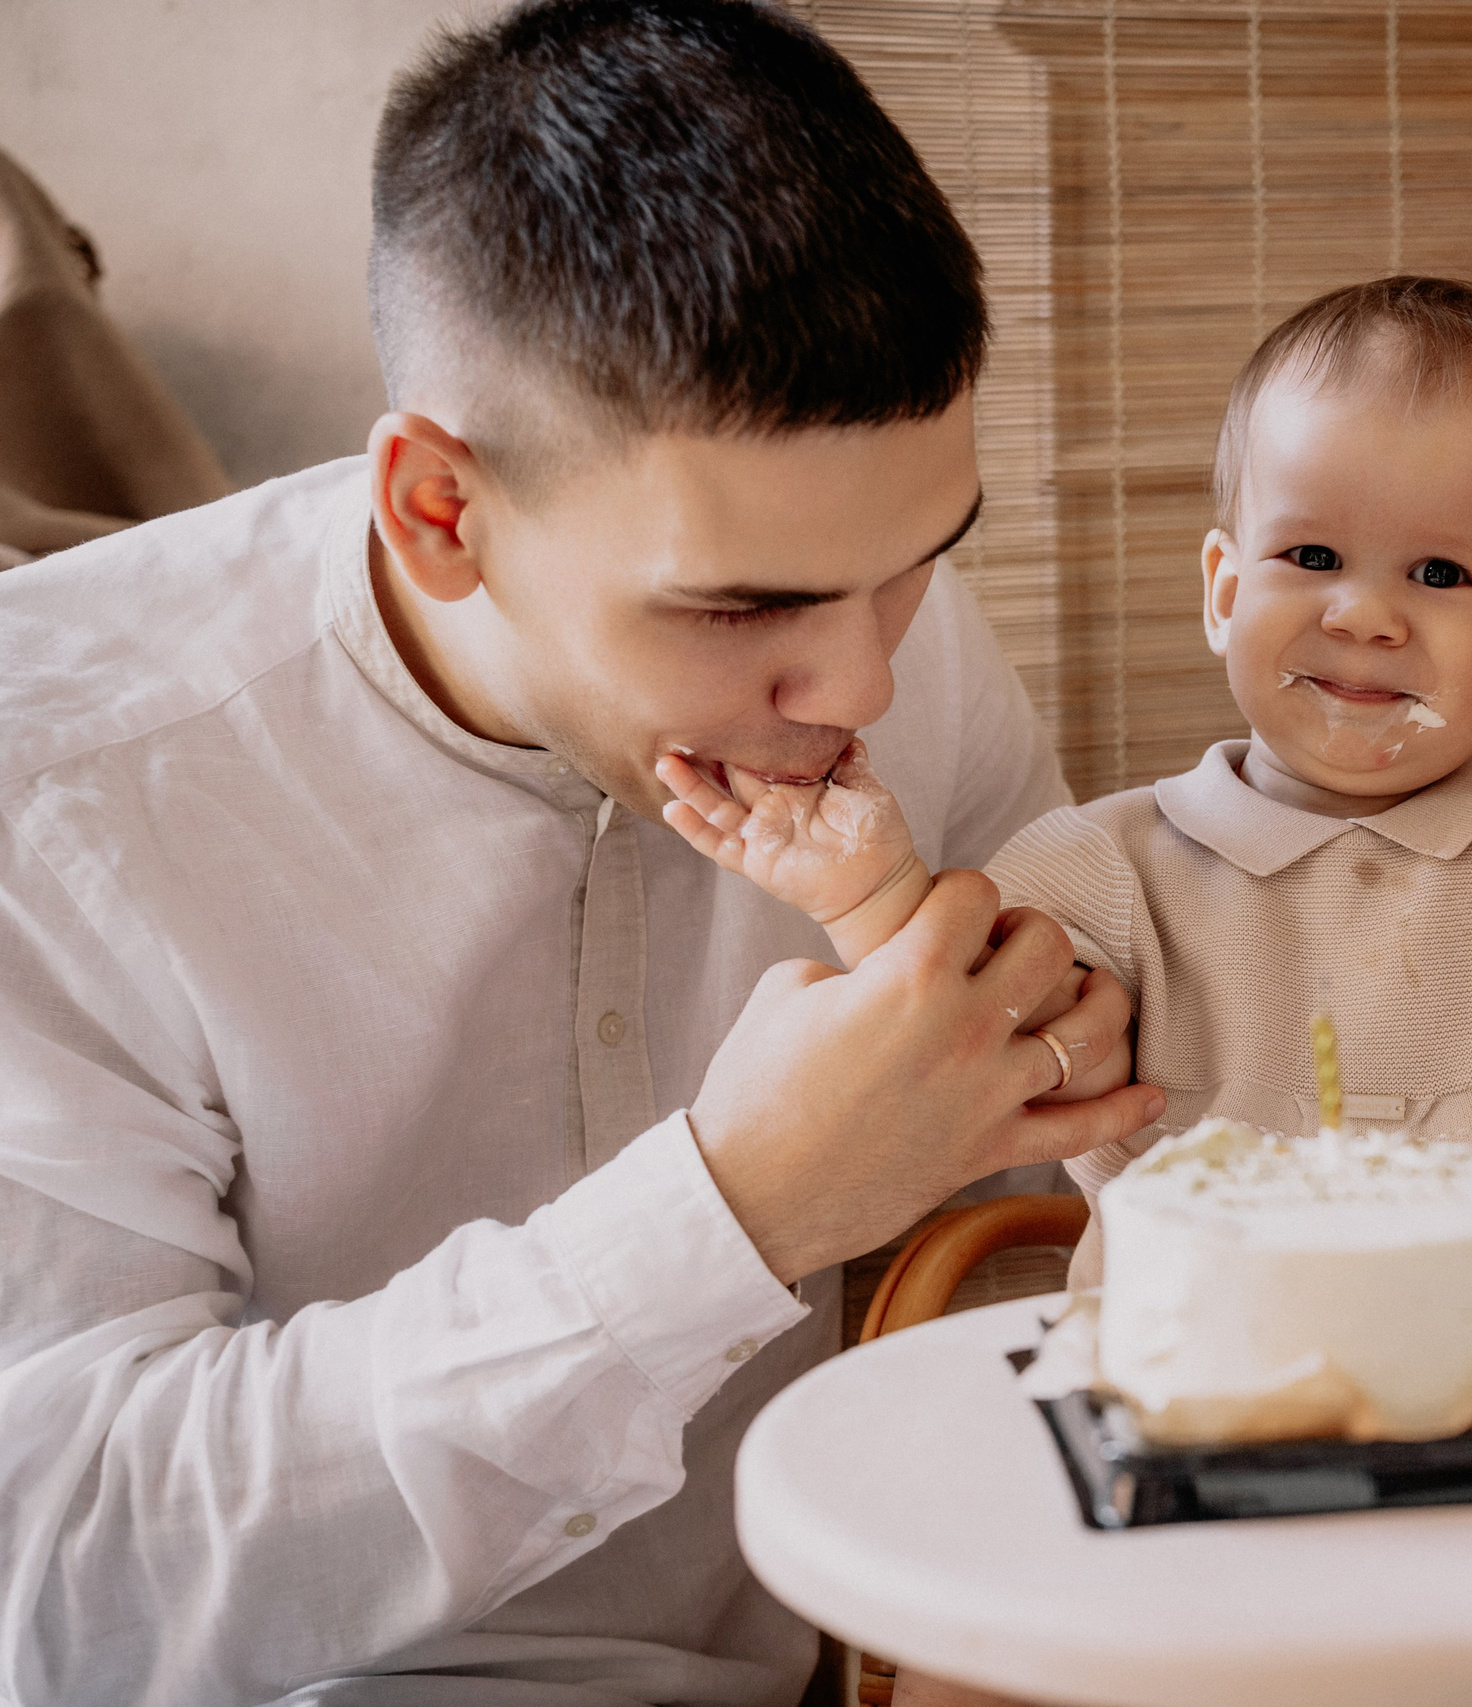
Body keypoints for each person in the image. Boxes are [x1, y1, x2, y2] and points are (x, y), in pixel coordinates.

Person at [0, 5, 1161, 1704]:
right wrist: (735, 1207)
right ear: (442, 512)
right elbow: (58, 1572)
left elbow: (1051, 1235)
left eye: (917, 557)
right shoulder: (59, 773)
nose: (865, 683)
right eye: (740, 606)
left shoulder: (902, 641)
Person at [663, 276, 1472, 1297]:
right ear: (1222, 590)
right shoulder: (1111, 867)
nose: (1364, 616)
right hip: (1183, 1407)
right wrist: (871, 891)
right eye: (1312, 558)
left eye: (1438, 574)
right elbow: (989, 1046)